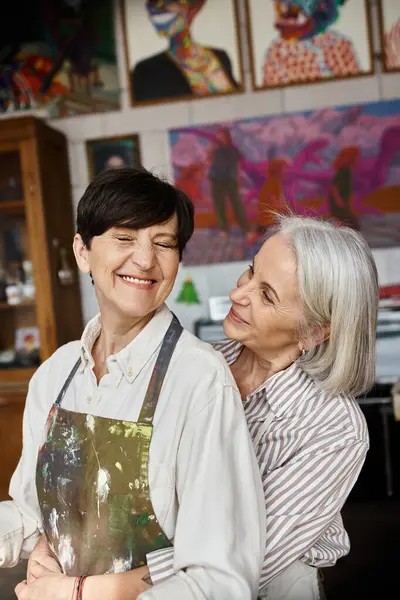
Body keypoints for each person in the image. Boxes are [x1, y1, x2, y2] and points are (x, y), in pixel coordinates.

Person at [1, 167, 265, 600]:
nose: (145, 260)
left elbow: (220, 578)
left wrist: (77, 593)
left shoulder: (199, 380)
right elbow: (35, 515)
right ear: (83, 252)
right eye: (124, 238)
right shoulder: (54, 375)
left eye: (164, 243)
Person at [118, 214, 378, 599]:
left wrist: (102, 588)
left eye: (267, 295)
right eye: (250, 272)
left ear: (315, 330)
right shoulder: (196, 363)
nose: (239, 293)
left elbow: (249, 555)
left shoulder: (335, 430)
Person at [132, 0, 239, 102]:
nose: (157, 9)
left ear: (189, 9)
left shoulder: (220, 57)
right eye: (153, 5)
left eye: (168, 2)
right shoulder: (147, 71)